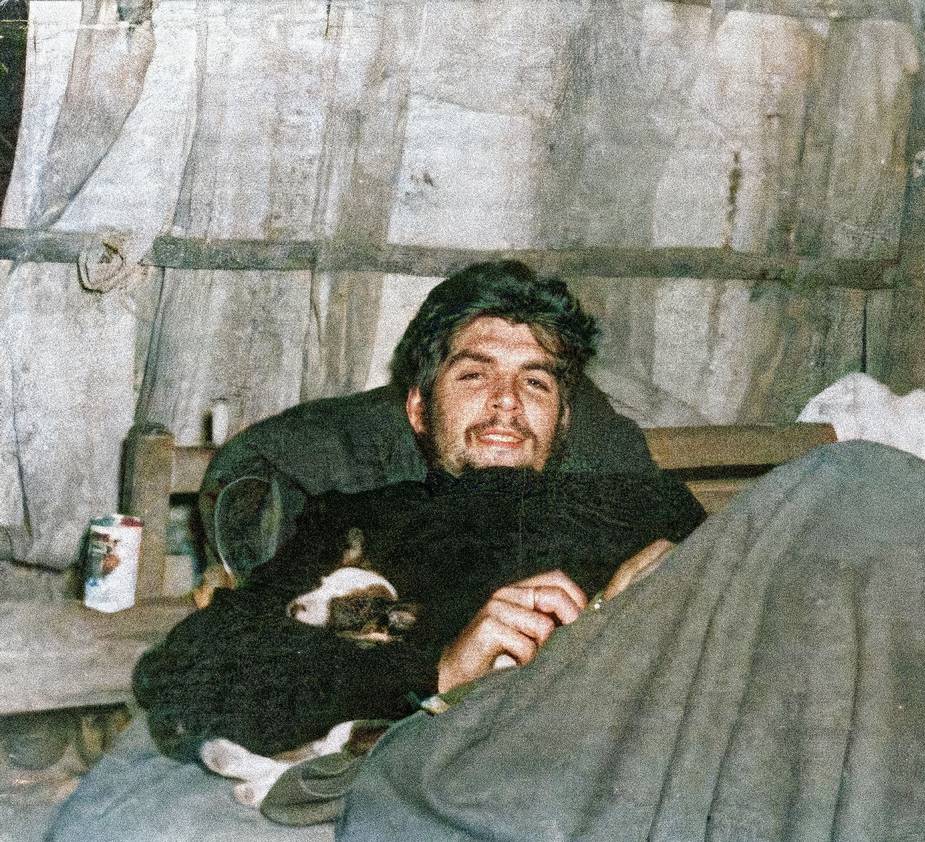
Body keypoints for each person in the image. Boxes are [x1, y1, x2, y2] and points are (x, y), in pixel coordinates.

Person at [49, 261, 705, 842]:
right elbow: (189, 670)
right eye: (474, 375)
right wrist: (438, 670)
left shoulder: (646, 507)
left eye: (536, 383)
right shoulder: (361, 521)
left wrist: (675, 581)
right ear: (419, 409)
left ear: (563, 419)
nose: (506, 402)